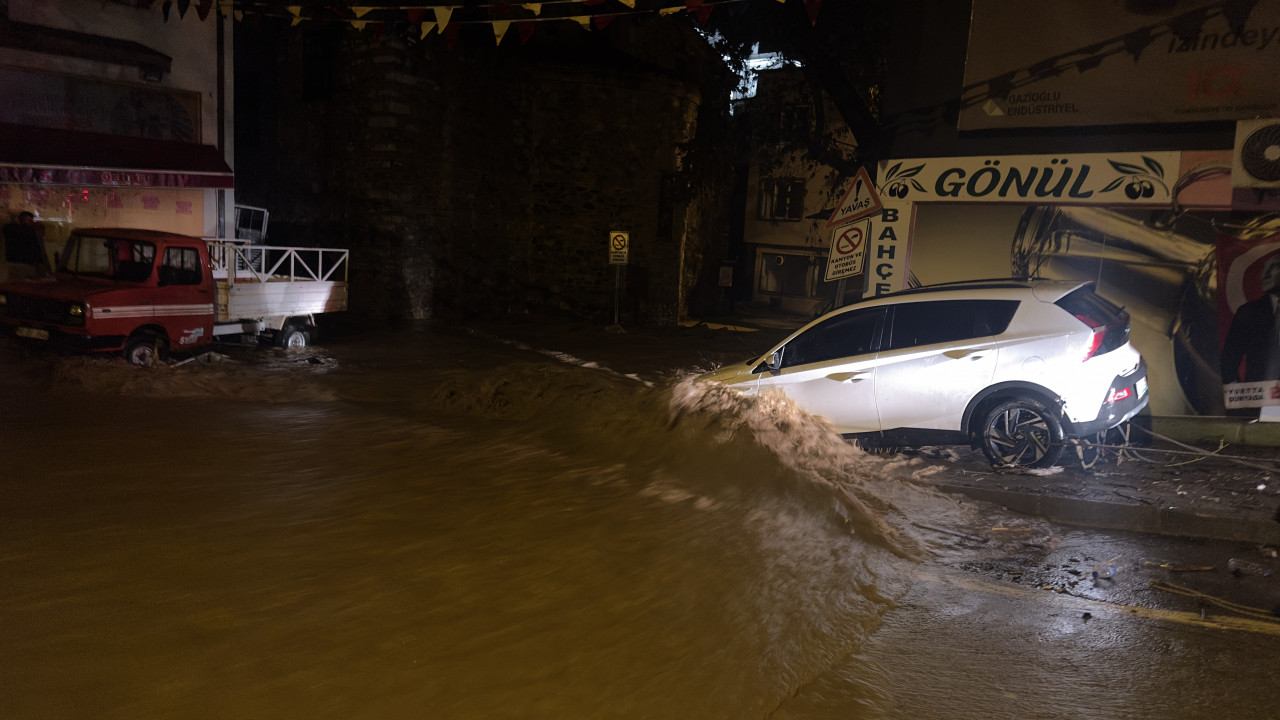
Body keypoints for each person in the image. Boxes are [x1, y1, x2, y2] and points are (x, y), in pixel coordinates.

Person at [1221, 252, 1280, 383]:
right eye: (1264, 268)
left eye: (1275, 267)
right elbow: (1228, 361)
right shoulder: (1248, 312)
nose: (1266, 274)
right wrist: (1241, 394)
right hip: (1257, 399)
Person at [2, 211, 50, 278]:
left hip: (11, 264)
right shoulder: (31, 232)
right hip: (28, 266)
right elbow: (37, 252)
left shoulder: (8, 229)